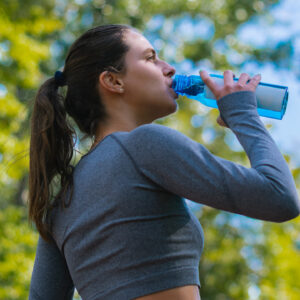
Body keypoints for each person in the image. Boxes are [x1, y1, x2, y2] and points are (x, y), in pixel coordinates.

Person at [28, 24, 300, 300]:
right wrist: (244, 115)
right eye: (150, 58)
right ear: (113, 81)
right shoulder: (144, 144)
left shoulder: (60, 204)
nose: (169, 67)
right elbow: (280, 198)